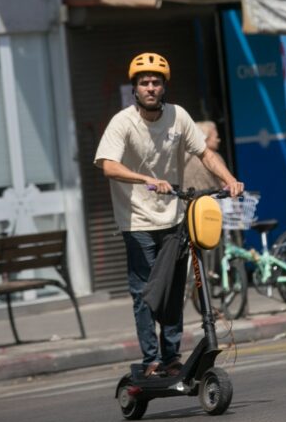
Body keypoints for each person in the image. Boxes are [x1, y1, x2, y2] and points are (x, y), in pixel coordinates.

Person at [94, 52, 243, 378]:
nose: (150, 87)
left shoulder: (178, 117)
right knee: (146, 291)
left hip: (173, 217)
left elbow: (205, 152)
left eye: (156, 82)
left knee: (174, 288)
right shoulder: (123, 122)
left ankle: (172, 356)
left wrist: (229, 180)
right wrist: (145, 179)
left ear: (164, 87)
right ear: (134, 88)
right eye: (144, 82)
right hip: (136, 220)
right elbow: (107, 165)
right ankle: (151, 360)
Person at [183, 121, 225, 191]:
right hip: (211, 200)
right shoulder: (215, 158)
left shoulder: (185, 159)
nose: (219, 140)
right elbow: (224, 185)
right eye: (216, 137)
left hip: (190, 200)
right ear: (205, 138)